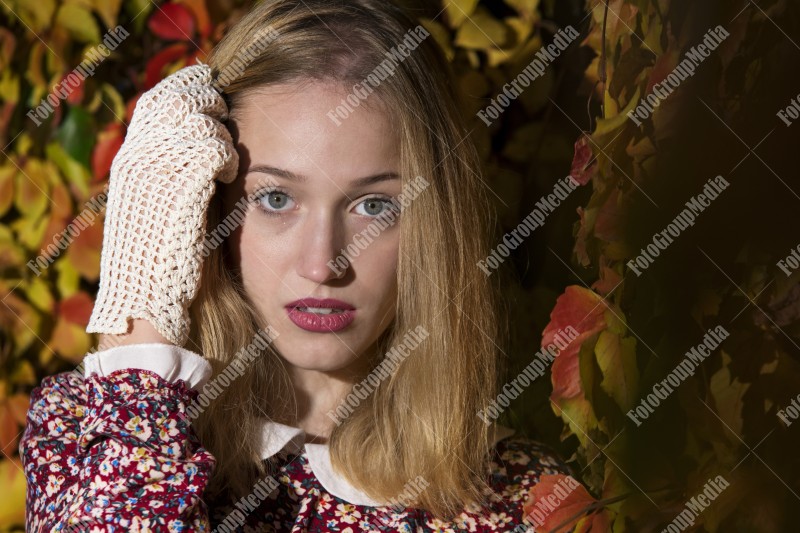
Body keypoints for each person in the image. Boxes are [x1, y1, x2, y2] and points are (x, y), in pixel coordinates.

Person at [20, 0, 572, 531]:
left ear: (432, 227)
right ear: (210, 206)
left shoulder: (527, 497)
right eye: (276, 199)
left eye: (374, 206)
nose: (323, 263)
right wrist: (142, 314)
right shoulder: (90, 437)